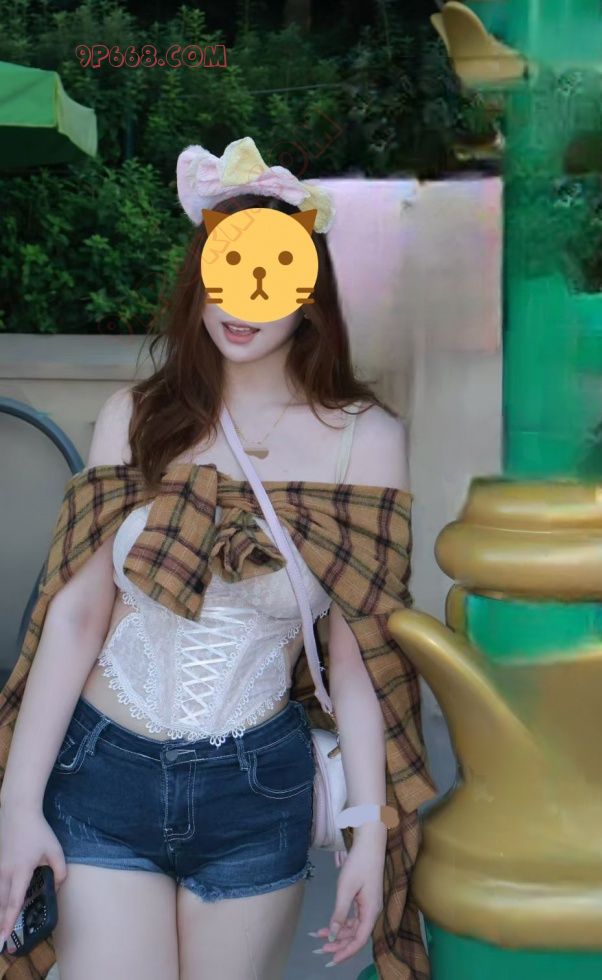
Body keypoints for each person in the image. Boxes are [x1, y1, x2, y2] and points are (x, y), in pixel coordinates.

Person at [0, 138, 438, 980]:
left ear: (310, 295)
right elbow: (77, 616)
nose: (243, 301)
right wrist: (18, 805)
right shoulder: (135, 417)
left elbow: (360, 655)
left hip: (255, 791)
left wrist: (367, 830)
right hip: (102, 772)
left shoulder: (367, 442)